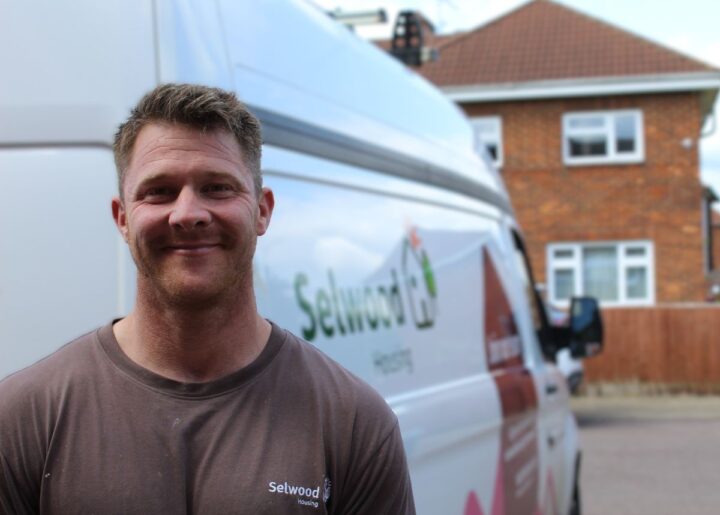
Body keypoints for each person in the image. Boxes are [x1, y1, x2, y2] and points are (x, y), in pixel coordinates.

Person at [0, 84, 416, 514]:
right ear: (122, 218)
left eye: (217, 188)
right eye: (158, 191)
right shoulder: (23, 420)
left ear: (262, 211)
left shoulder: (352, 422)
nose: (187, 214)